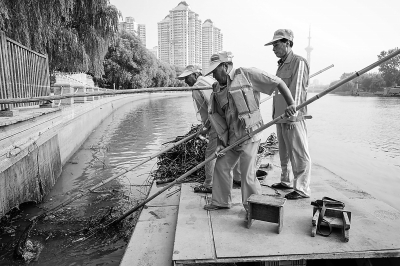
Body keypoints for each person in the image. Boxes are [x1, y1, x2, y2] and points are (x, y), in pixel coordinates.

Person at [202, 51, 297, 211]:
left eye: (215, 70)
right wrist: (219, 143)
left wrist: (291, 104)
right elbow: (220, 120)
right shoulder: (217, 89)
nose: (213, 75)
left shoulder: (247, 74)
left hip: (250, 135)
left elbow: (277, 82)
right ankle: (221, 202)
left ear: (225, 66)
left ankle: (253, 208)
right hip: (232, 139)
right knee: (221, 165)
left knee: (247, 173)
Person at [177, 65, 241, 194]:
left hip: (217, 124)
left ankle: (209, 184)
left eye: (187, 77)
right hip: (229, 120)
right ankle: (238, 178)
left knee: (211, 154)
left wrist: (206, 127)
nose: (185, 81)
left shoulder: (197, 87)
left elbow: (207, 110)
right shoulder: (210, 81)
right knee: (233, 149)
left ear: (195, 75)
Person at [264, 29, 312, 199]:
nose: (273, 48)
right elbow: (278, 92)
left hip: (292, 117)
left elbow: (298, 90)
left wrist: (293, 115)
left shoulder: (298, 61)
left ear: (288, 43)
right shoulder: (281, 64)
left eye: (276, 44)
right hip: (280, 116)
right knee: (284, 152)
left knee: (299, 152)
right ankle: (286, 181)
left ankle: (302, 188)